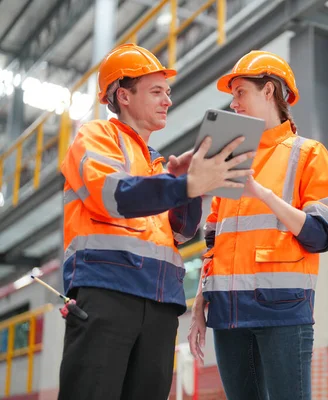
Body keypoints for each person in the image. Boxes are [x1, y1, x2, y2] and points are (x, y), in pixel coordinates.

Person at [57, 43, 255, 400]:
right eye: (156, 92)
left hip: (161, 303)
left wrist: (187, 188)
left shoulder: (155, 164)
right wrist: (181, 184)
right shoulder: (99, 136)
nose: (168, 101)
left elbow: (179, 232)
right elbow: (112, 195)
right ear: (124, 95)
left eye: (168, 92)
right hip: (108, 293)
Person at [187, 50, 328, 399]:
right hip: (227, 314)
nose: (233, 103)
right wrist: (200, 304)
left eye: (240, 91)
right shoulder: (229, 160)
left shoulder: (308, 154)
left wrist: (262, 193)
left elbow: (323, 233)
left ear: (269, 91)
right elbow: (213, 243)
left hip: (282, 311)